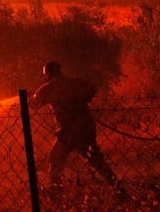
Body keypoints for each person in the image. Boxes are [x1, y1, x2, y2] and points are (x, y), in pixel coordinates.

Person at [31, 61, 123, 194]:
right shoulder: (75, 82)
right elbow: (92, 89)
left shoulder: (48, 89)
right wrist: (81, 99)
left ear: (48, 74)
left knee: (55, 158)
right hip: (85, 126)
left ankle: (56, 191)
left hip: (67, 132)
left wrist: (34, 95)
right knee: (95, 159)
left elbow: (33, 105)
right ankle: (117, 187)